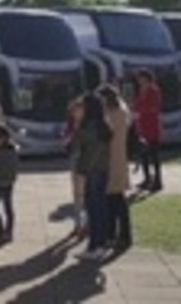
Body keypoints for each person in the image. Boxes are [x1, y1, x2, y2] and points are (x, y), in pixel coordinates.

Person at [74, 92, 112, 261]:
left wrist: (77, 124)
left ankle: (95, 245)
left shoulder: (87, 127)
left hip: (91, 170)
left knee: (93, 209)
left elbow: (74, 145)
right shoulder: (103, 124)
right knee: (100, 209)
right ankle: (100, 244)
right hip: (103, 169)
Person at [98, 84, 133, 250]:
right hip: (118, 157)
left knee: (116, 200)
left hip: (112, 158)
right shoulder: (122, 111)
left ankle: (121, 235)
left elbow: (105, 135)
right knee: (115, 198)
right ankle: (115, 234)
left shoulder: (111, 115)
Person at [134, 69, 163, 192]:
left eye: (141, 78)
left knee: (154, 155)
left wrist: (140, 111)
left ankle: (158, 180)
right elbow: (137, 105)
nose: (140, 81)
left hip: (152, 125)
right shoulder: (141, 91)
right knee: (144, 154)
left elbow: (153, 107)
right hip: (142, 126)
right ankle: (146, 179)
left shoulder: (154, 91)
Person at [63, 97, 87, 239]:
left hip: (87, 159)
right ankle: (78, 224)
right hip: (75, 158)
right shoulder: (71, 124)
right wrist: (70, 136)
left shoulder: (88, 124)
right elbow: (65, 140)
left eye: (77, 111)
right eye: (73, 112)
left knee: (85, 193)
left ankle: (85, 225)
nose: (74, 114)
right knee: (77, 193)